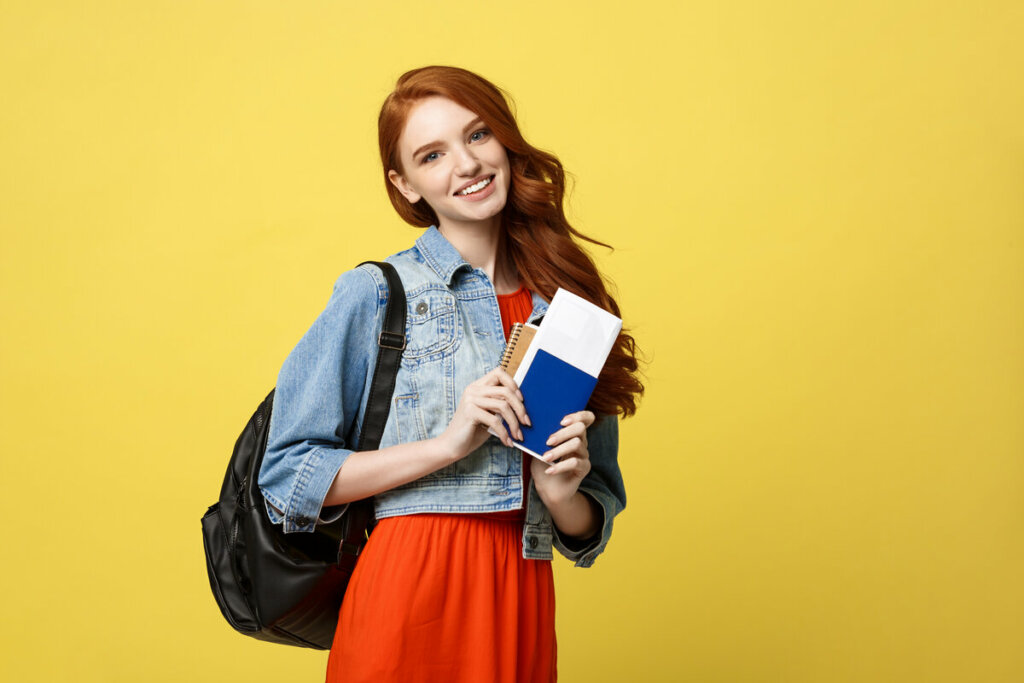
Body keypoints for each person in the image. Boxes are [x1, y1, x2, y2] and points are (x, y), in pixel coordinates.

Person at [257, 65, 644, 683]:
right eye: (432, 155)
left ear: (506, 143)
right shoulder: (376, 294)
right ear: (404, 184)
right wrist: (447, 444)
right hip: (408, 592)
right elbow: (286, 477)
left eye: (478, 135)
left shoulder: (569, 310)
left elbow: (591, 523)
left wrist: (561, 496)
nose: (466, 164)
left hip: (520, 592)